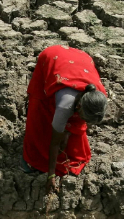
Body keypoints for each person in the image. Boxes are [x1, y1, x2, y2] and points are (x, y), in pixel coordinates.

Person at [21, 45, 108, 194]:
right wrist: (51, 175)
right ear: (79, 107)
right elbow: (54, 143)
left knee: (68, 137)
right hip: (51, 58)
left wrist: (67, 133)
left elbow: (78, 121)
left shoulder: (98, 96)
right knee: (40, 117)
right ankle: (30, 157)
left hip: (80, 60)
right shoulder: (65, 105)